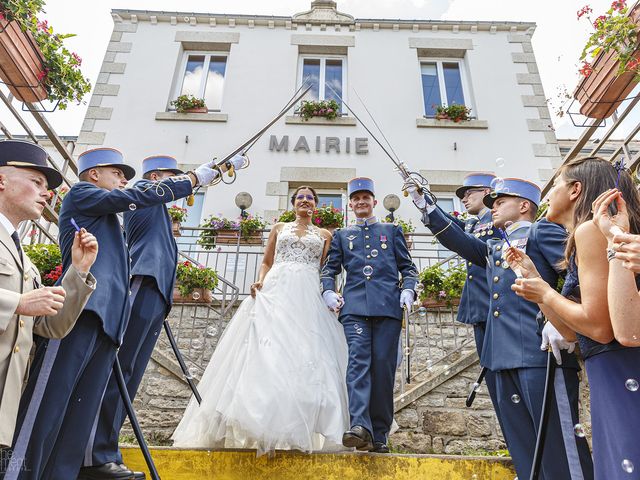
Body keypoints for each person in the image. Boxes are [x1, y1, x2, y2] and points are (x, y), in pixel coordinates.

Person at [8, 148, 220, 480]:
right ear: (94, 174)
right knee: (47, 408)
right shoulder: (82, 194)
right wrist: (191, 180)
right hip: (79, 313)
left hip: (108, 322)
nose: (123, 180)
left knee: (78, 418)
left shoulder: (108, 219)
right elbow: (138, 195)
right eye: (117, 174)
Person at [409, 177, 593, 479]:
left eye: (500, 202)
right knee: (523, 448)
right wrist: (425, 205)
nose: (493, 207)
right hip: (499, 359)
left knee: (559, 443)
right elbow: (456, 239)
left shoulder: (541, 231)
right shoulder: (495, 246)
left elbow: (578, 273)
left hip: (540, 353)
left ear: (524, 206)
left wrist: (566, 317)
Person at [80, 153, 245, 478]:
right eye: (173, 177)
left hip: (156, 291)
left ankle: (105, 451)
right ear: (157, 179)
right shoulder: (144, 192)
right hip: (144, 280)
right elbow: (166, 192)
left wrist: (219, 171)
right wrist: (199, 176)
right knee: (121, 371)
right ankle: (93, 455)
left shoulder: (158, 209)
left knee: (131, 375)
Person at [172, 186, 349, 455]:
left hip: (308, 293)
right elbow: (267, 261)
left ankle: (301, 422)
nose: (305, 201)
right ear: (293, 204)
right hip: (277, 288)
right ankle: (257, 419)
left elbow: (327, 270)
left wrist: (329, 294)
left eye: (310, 198)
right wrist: (260, 280)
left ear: (316, 205)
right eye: (300, 197)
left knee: (306, 351)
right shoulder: (279, 227)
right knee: (267, 350)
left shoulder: (325, 235)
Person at [508, 157, 640, 479]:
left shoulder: (589, 231)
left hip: (618, 364)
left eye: (555, 184)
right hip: (609, 364)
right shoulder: (589, 233)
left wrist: (546, 294)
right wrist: (536, 281)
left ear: (575, 190)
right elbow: (571, 332)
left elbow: (600, 327)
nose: (548, 193)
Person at [0, 139, 97, 453]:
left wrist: (78, 272)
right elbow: (24, 307)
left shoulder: (23, 258)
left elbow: (49, 327)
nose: (47, 192)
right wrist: (18, 303)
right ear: (2, 180)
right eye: (36, 182)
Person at [321, 178, 419, 454]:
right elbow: (330, 270)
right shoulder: (342, 235)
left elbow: (408, 269)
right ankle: (360, 426)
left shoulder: (391, 230)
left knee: (383, 369)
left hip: (388, 308)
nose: (361, 202)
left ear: (374, 201)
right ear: (350, 204)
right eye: (356, 199)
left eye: (366, 198)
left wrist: (408, 291)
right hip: (354, 310)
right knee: (358, 365)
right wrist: (328, 292)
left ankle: (379, 434)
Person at [409, 173, 503, 422]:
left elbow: (463, 242)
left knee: (503, 381)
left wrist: (429, 204)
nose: (463, 198)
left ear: (487, 192)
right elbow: (451, 227)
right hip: (481, 308)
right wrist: (424, 200)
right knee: (495, 382)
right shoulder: (474, 223)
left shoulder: (498, 219)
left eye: (468, 193)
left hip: (497, 306)